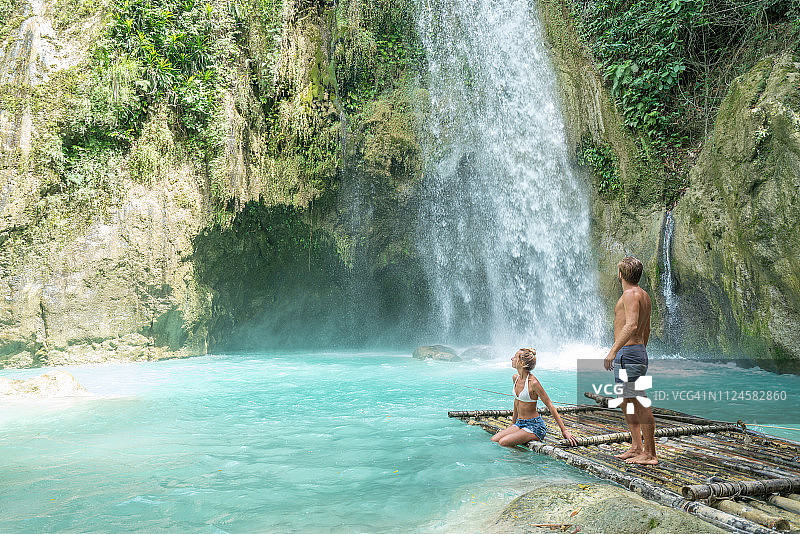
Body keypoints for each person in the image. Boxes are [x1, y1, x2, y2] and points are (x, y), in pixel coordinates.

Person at [603, 256, 657, 465]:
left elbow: (632, 325)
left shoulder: (630, 294)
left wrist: (613, 351)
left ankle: (650, 454)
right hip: (633, 352)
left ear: (621, 274)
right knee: (626, 400)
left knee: (639, 400)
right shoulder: (643, 295)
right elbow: (647, 328)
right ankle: (636, 447)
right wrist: (640, 350)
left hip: (629, 353)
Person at [492, 348, 577, 447]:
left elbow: (550, 405)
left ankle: (522, 456)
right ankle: (519, 453)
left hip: (534, 426)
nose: (512, 358)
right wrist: (513, 423)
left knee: (503, 442)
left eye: (515, 357)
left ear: (522, 363)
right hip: (520, 423)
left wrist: (564, 431)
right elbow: (517, 401)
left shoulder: (533, 383)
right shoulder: (515, 378)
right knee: (494, 440)